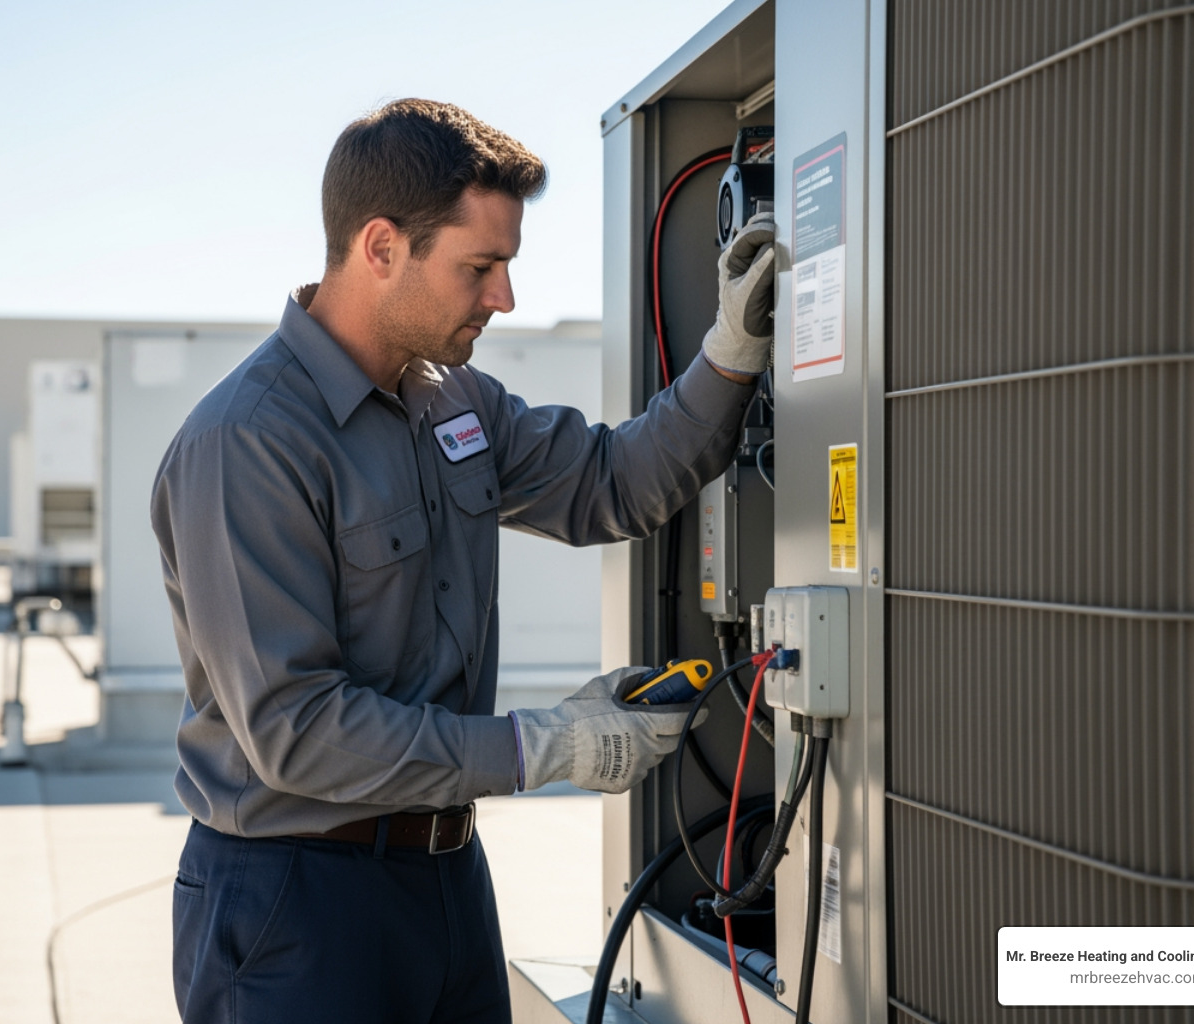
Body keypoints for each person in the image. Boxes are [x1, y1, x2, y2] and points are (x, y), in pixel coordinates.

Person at [152, 98, 775, 1023]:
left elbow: (614, 480)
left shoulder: (452, 402)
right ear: (380, 247)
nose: (503, 298)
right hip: (296, 904)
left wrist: (733, 348)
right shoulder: (247, 443)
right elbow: (296, 730)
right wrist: (544, 745)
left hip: (445, 881)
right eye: (479, 268)